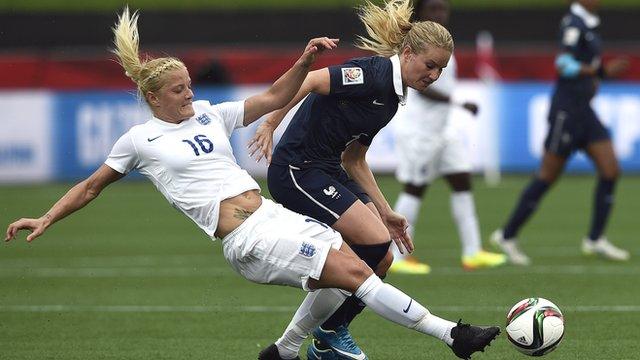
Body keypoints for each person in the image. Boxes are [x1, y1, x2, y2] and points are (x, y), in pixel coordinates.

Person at [5, 7, 500, 360]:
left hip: (271, 215)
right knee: (358, 272)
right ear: (153, 97)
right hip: (246, 238)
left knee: (362, 264)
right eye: (178, 90)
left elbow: (272, 96)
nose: (190, 94)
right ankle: (450, 335)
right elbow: (91, 186)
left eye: (190, 85)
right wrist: (47, 216)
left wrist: (304, 61)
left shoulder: (208, 115)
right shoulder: (139, 139)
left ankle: (285, 350)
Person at [248, 1, 481, 359]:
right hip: (297, 169)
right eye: (430, 65)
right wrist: (269, 122)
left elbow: (354, 159)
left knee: (382, 256)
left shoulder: (390, 100)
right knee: (371, 243)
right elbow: (310, 80)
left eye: (441, 69)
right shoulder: (370, 75)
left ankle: (288, 348)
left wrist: (386, 211)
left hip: (328, 169)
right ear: (406, 53)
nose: (434, 75)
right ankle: (330, 331)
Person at [490, 0, 630, 265]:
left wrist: (596, 79)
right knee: (547, 176)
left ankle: (595, 239)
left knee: (611, 169)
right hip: (566, 111)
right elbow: (563, 64)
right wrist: (599, 72)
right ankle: (506, 235)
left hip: (584, 111)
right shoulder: (572, 24)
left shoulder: (590, 24)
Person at [389, 0, 506, 275]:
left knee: (462, 181)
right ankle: (397, 256)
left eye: (443, 8)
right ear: (421, 12)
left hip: (444, 132)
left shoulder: (442, 43)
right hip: (420, 132)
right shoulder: (415, 45)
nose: (440, 14)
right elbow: (419, 86)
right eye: (434, 9)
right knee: (414, 189)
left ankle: (472, 252)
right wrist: (458, 101)